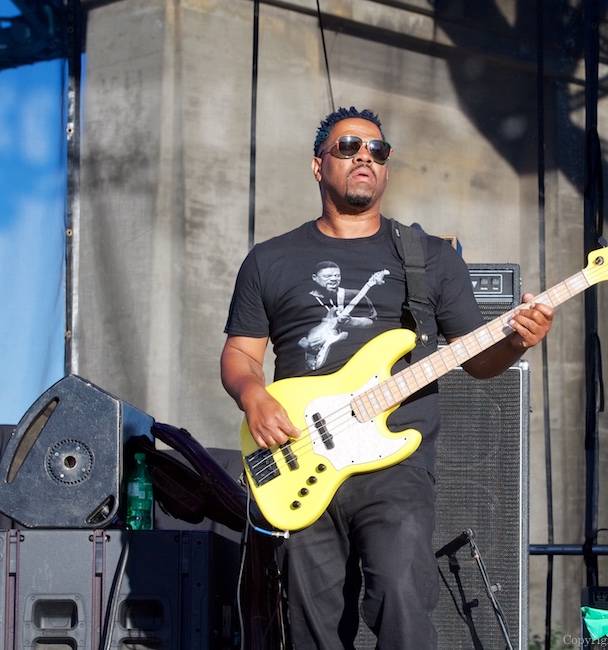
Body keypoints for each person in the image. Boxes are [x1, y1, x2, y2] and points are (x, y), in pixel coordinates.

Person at [220, 106, 554, 649]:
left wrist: (518, 338)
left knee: (402, 595)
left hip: (395, 463)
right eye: (349, 148)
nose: (364, 158)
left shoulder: (430, 258)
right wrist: (253, 394)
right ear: (317, 165)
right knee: (311, 623)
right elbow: (240, 353)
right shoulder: (269, 260)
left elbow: (478, 357)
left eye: (377, 151)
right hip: (301, 456)